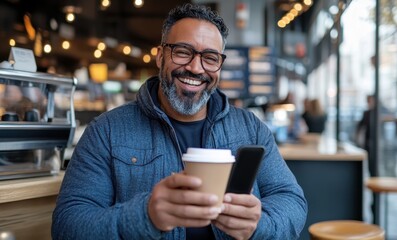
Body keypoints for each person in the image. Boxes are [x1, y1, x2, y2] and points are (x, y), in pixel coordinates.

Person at [52, 3, 307, 240]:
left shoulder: (250, 128)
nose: (196, 68)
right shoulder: (106, 131)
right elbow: (67, 225)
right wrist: (145, 217)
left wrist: (259, 225)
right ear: (161, 56)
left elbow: (292, 201)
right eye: (183, 52)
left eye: (210, 58)